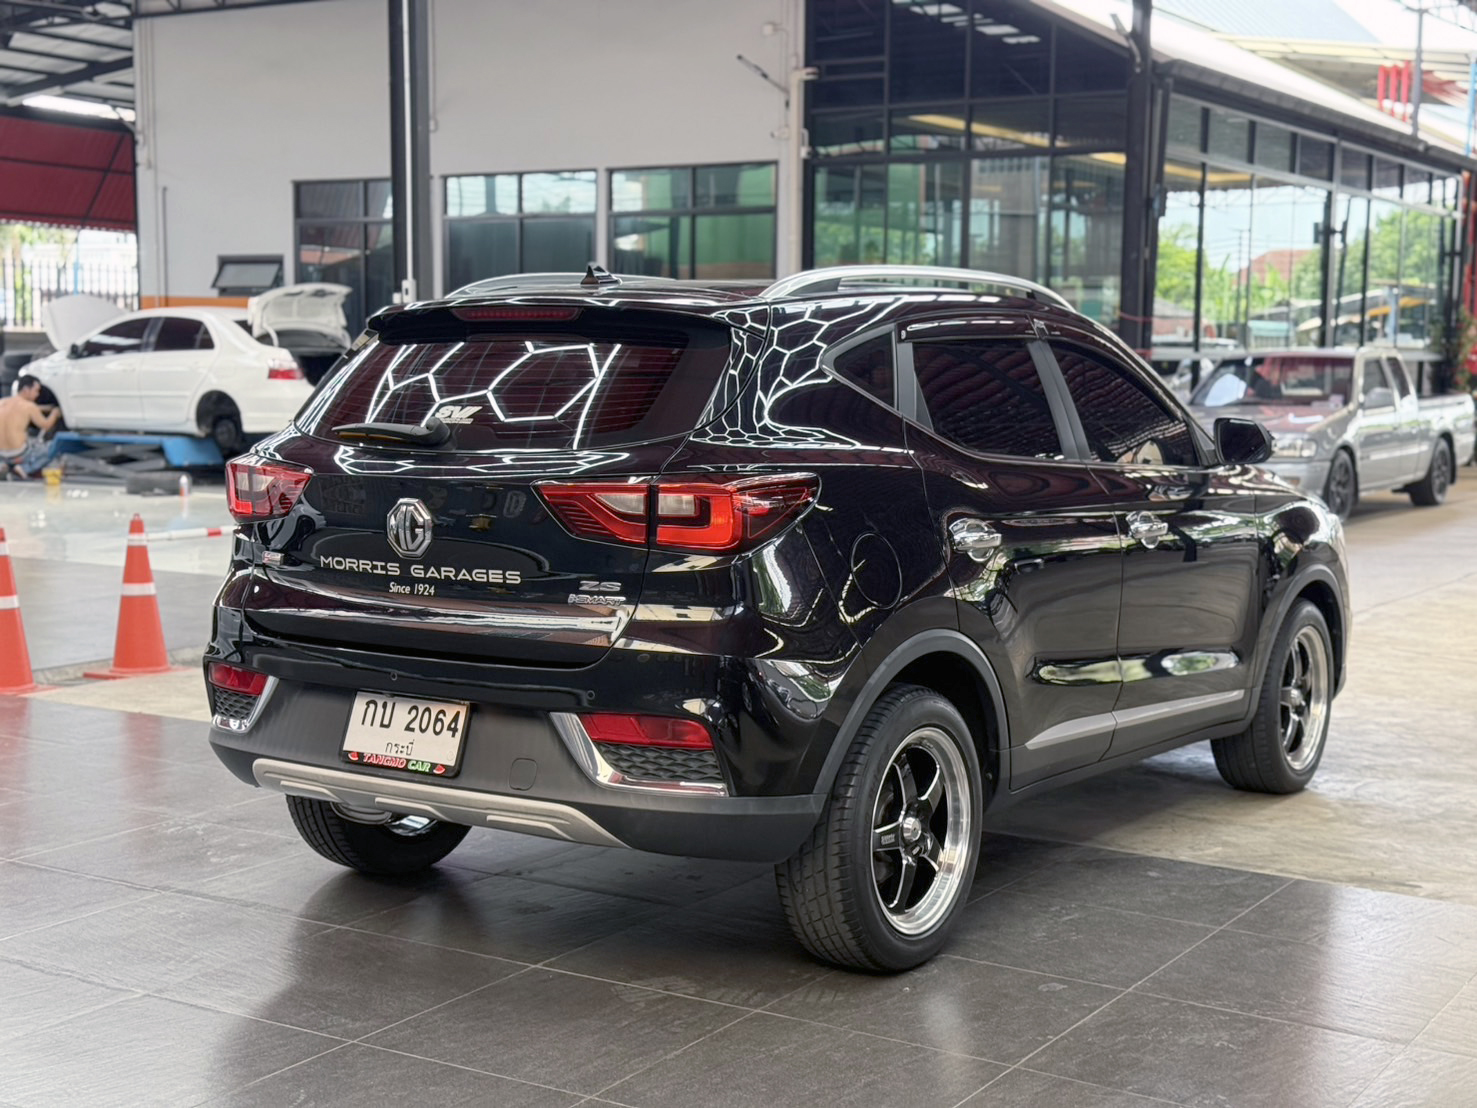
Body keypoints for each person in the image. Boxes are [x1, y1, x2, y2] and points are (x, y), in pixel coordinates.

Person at [0, 376, 63, 478]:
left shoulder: (2, 402)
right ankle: (24, 469)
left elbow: (18, 409)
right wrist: (54, 413)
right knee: (52, 448)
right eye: (36, 390)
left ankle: (4, 465)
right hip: (19, 454)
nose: (37, 395)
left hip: (1, 453)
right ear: (26, 390)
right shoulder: (29, 406)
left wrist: (45, 408)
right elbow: (46, 425)